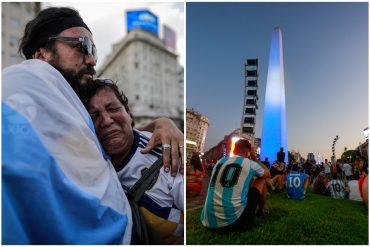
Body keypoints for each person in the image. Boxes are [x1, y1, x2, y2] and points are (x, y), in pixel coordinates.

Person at [3, 7, 183, 244]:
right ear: (41, 54)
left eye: (93, 50)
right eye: (81, 46)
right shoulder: (29, 80)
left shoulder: (64, 100)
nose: (91, 59)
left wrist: (162, 123)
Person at [83, 79, 183, 244]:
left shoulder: (165, 154)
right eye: (94, 116)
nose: (106, 120)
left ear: (129, 113)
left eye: (113, 109)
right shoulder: (88, 165)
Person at [201, 139, 270, 230]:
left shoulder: (220, 162)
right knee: (261, 180)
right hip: (233, 222)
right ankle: (261, 211)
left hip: (208, 221)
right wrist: (254, 158)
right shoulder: (250, 164)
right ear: (248, 152)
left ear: (234, 150)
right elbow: (268, 174)